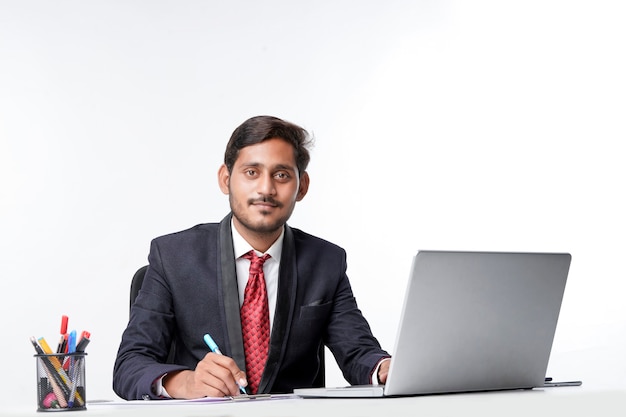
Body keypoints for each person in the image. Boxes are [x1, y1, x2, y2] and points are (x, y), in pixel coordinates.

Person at [113, 115, 391, 400]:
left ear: (302, 186)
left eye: (281, 174)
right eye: (251, 172)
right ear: (225, 179)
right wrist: (185, 383)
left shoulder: (326, 262)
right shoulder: (173, 257)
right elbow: (129, 366)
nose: (266, 189)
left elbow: (359, 353)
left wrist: (386, 368)